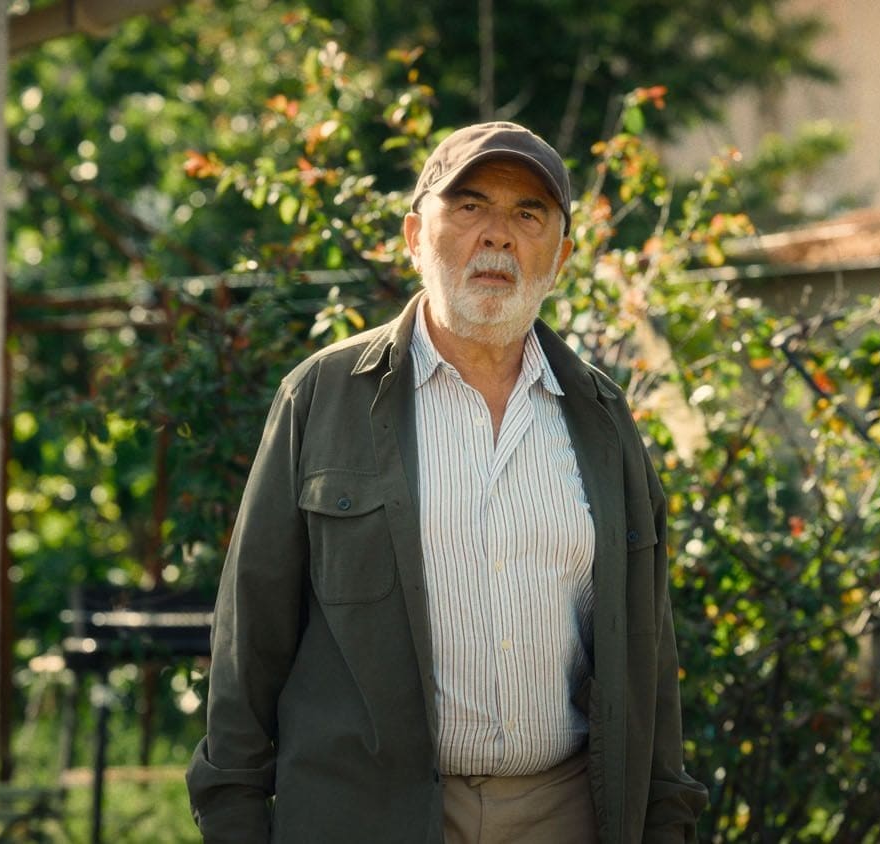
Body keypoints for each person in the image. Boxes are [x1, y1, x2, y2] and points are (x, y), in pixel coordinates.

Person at [186, 121, 707, 843]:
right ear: (413, 236)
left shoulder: (602, 416)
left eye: (528, 214)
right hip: (369, 819)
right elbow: (252, 634)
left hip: (565, 814)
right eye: (469, 206)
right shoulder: (323, 398)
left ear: (561, 256)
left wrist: (666, 819)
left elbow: (649, 648)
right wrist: (235, 819)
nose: (497, 235)